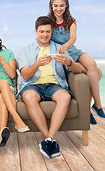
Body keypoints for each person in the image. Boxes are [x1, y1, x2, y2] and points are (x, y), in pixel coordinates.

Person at [18, 16, 83, 159]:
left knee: (65, 97)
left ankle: (48, 138)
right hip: (33, 85)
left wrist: (69, 63)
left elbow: (79, 70)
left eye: (48, 31)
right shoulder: (25, 50)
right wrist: (36, 64)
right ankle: (50, 139)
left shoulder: (58, 49)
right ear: (35, 31)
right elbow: (26, 76)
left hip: (54, 85)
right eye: (41, 31)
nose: (45, 35)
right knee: (28, 97)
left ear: (51, 31)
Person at [48, 0, 105, 125]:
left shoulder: (71, 22)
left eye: (61, 5)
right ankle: (89, 109)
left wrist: (66, 45)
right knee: (97, 73)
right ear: (51, 6)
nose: (58, 8)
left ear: (66, 6)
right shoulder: (48, 21)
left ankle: (97, 104)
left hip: (71, 49)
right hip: (61, 55)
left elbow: (73, 38)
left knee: (93, 66)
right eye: (56, 6)